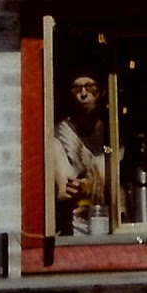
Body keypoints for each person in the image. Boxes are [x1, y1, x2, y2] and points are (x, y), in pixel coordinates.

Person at [50, 71, 108, 233]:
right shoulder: (60, 135)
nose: (83, 94)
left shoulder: (113, 132)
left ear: (102, 91)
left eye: (90, 87)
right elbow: (63, 190)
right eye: (77, 88)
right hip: (77, 229)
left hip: (111, 222)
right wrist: (70, 191)